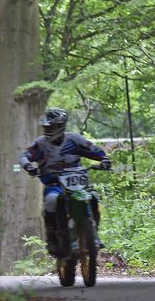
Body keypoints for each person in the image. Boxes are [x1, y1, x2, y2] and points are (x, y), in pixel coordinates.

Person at [20, 108, 111, 257]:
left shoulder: (74, 140)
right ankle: (52, 237)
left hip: (78, 183)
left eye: (51, 126)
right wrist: (29, 166)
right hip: (54, 184)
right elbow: (24, 156)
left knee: (93, 197)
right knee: (51, 201)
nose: (48, 129)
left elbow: (93, 149)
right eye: (46, 127)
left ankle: (94, 233)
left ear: (60, 125)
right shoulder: (40, 144)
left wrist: (104, 159)